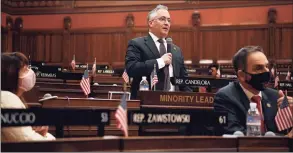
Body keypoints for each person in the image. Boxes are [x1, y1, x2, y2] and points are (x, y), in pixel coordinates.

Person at [214, 46, 293, 136]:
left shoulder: (275, 96)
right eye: (258, 68)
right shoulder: (225, 97)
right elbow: (235, 133)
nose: (266, 71)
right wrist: (284, 138)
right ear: (242, 75)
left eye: (267, 66)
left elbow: (286, 130)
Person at [125, 4, 192, 99]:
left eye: (169, 20)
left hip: (175, 103)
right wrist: (160, 62)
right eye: (162, 19)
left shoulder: (176, 50)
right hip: (147, 103)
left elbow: (184, 82)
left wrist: (189, 101)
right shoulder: (137, 44)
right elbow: (131, 69)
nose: (167, 23)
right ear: (151, 23)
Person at [1, 52, 56, 142]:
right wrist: (49, 137)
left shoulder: (12, 98)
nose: (29, 73)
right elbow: (26, 141)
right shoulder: (7, 98)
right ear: (11, 75)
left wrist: (37, 132)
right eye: (25, 70)